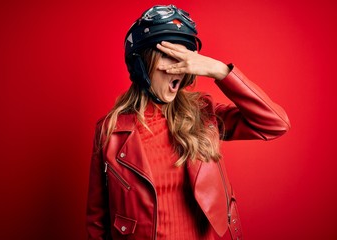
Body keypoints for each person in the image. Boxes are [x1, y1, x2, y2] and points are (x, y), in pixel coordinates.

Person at [86, 4, 290, 240]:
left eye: (185, 56)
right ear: (141, 65)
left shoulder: (203, 114)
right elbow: (97, 221)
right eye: (168, 55)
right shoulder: (110, 131)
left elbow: (275, 123)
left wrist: (220, 71)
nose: (180, 67)